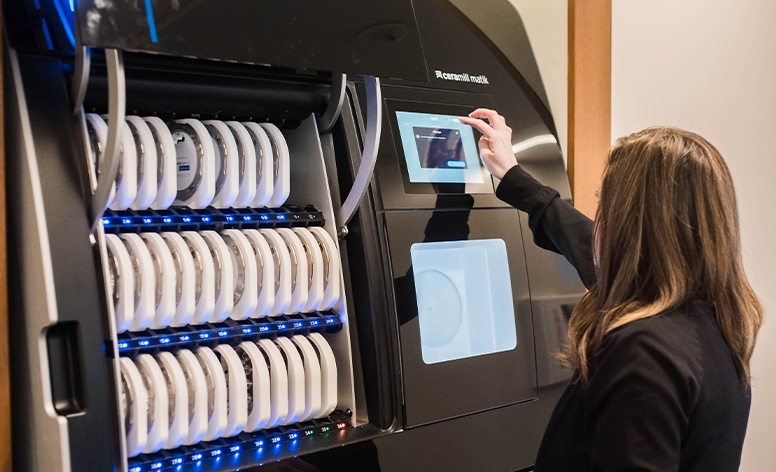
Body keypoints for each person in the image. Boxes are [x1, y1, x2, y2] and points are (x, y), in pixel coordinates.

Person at [460, 109, 763, 471]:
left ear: (633, 231)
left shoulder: (644, 353)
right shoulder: (712, 324)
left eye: (605, 205)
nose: (599, 220)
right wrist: (513, 176)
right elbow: (588, 243)